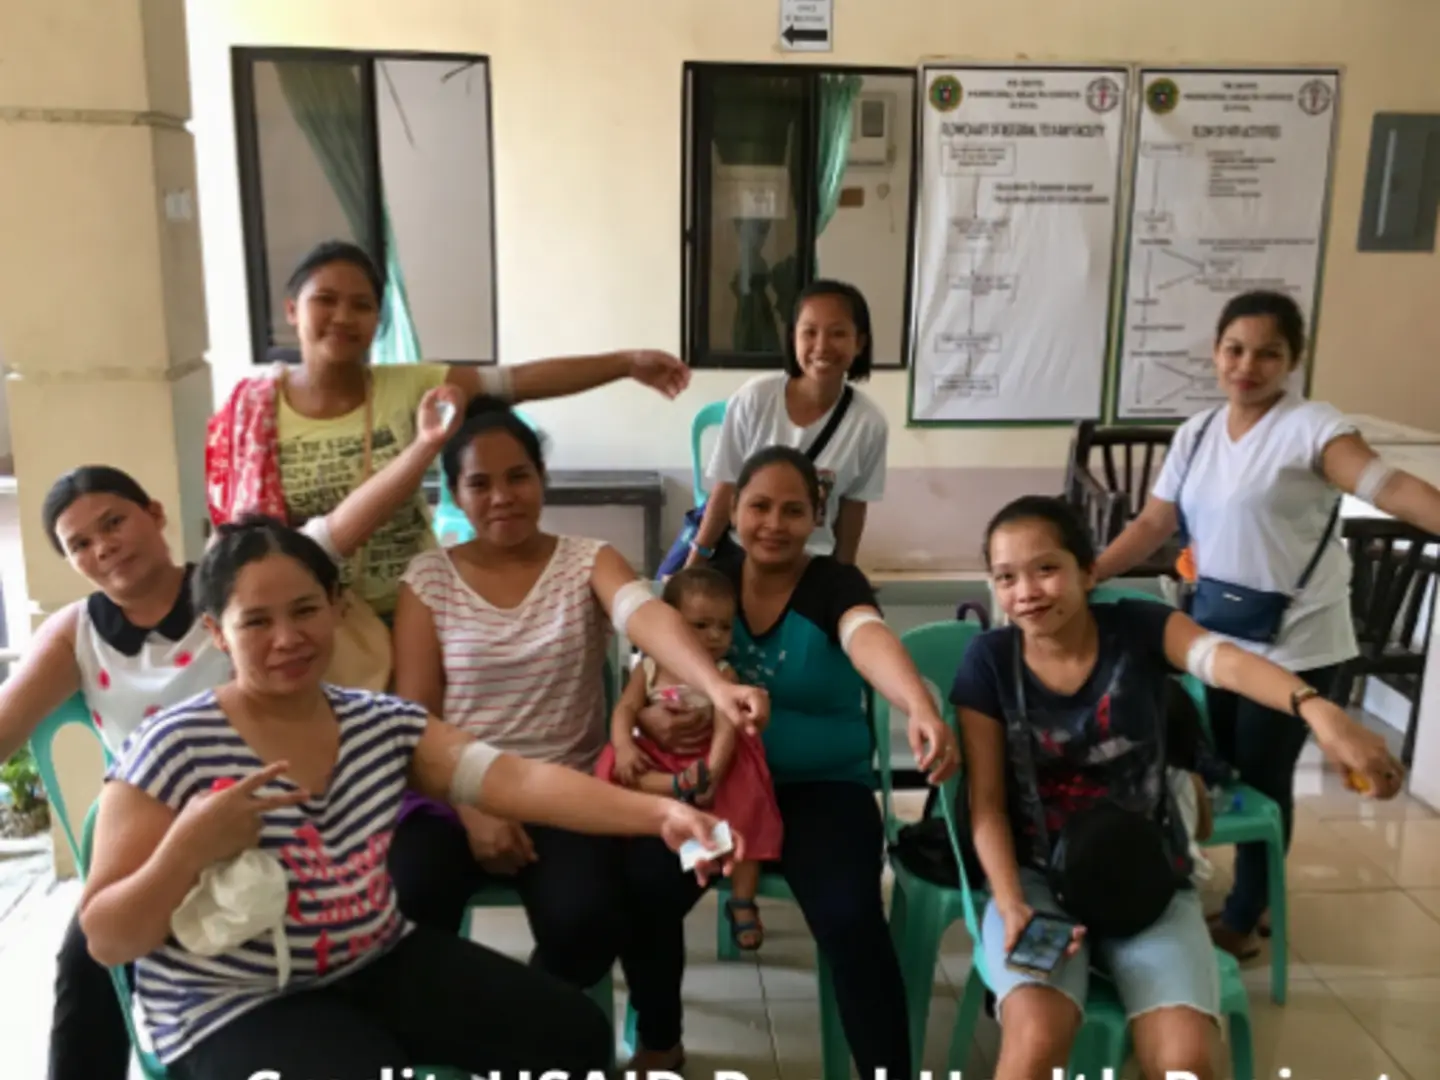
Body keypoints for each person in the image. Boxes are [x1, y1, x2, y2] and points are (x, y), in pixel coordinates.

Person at [77, 516, 740, 1080]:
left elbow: (518, 781)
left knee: (573, 1035)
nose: (288, 638)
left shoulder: (376, 723)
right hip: (229, 1003)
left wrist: (662, 814)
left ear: (337, 605)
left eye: (305, 609)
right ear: (217, 632)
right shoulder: (172, 747)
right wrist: (186, 849)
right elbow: (106, 937)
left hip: (371, 956)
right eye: (256, 621)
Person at [2, 387, 461, 1080]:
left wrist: (427, 446)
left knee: (402, 891)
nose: (104, 548)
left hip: (287, 813)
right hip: (154, 829)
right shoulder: (75, 633)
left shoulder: (239, 583)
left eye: (114, 522)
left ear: (154, 515)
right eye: (80, 544)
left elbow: (338, 529)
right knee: (87, 959)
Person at [953, 495, 1404, 1080]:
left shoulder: (1138, 629)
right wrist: (1010, 902)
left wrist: (1318, 710)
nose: (1027, 591)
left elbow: (1225, 662)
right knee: (1035, 1041)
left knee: (1184, 1061)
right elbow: (985, 804)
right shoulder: (989, 661)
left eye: (1046, 568)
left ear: (1089, 570)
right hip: (1034, 884)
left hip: (1150, 881)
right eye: (1006, 577)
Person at [389, 396, 768, 1071]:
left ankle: (515, 1039)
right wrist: (471, 808)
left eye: (518, 476)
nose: (502, 496)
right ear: (454, 493)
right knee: (406, 905)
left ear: (542, 478)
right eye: (480, 483)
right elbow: (414, 715)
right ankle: (422, 1048)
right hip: (451, 793)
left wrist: (716, 685)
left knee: (588, 920)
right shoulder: (428, 579)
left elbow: (645, 615)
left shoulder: (587, 560)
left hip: (563, 793)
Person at [1093, 289, 1440, 958]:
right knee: (1224, 766)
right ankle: (1256, 891)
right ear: (1216, 352)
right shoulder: (1196, 433)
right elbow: (1153, 524)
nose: (1247, 365)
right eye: (1234, 349)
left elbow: (1388, 486)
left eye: (1267, 353)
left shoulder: (1313, 427)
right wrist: (1091, 571)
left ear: (1293, 360)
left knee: (1260, 774)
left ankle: (1246, 914)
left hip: (1298, 640)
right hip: (1220, 635)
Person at [638, 445, 958, 1079]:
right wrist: (646, 716)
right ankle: (659, 1040)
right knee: (643, 888)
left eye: (792, 509)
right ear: (734, 512)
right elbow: (650, 654)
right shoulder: (708, 582)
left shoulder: (833, 585)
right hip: (714, 788)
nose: (773, 524)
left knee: (849, 917)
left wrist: (916, 703)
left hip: (819, 792)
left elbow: (866, 637)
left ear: (817, 515)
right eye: (758, 506)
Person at [206, 239, 692, 618]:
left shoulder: (412, 386)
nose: (342, 317)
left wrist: (626, 363)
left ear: (378, 319)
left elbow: (517, 380)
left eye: (361, 305)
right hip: (308, 622)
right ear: (292, 309)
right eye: (325, 300)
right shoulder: (253, 414)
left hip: (414, 610)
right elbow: (238, 536)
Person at [595, 565, 783, 950]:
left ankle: (742, 899)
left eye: (724, 626)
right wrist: (627, 746)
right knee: (615, 765)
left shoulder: (722, 671)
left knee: (746, 814)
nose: (714, 636)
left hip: (714, 760)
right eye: (700, 626)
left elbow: (727, 724)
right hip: (663, 764)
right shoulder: (647, 669)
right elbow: (624, 711)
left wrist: (713, 771)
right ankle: (681, 801)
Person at [685, 280, 888, 567]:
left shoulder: (869, 423)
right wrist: (696, 561)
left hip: (811, 564)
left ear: (860, 343)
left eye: (838, 333)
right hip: (743, 554)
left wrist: (844, 579)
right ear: (793, 338)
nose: (822, 346)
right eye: (809, 332)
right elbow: (727, 486)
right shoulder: (754, 398)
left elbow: (853, 507)